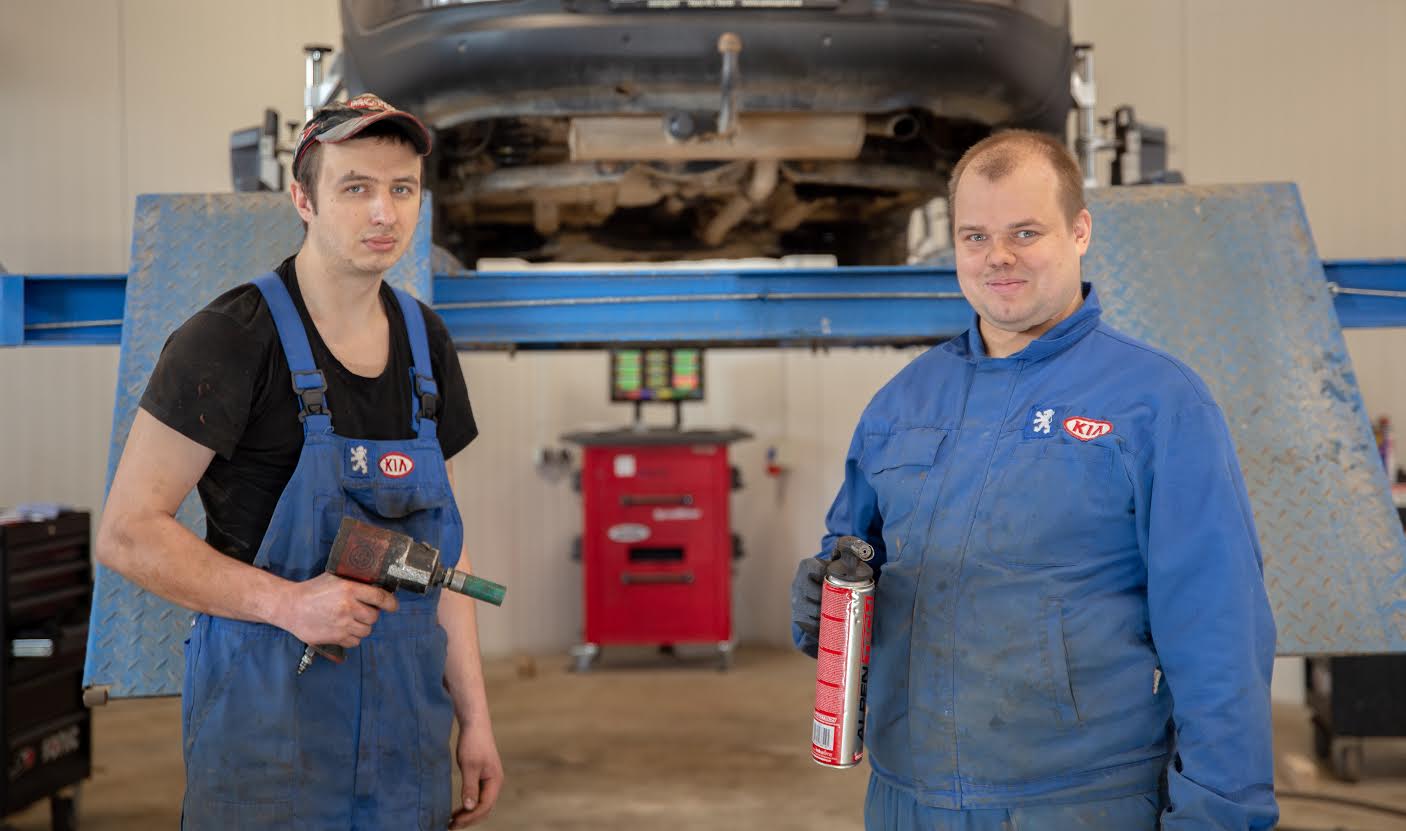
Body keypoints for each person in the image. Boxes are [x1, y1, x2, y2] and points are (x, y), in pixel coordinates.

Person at [790, 130, 1278, 830]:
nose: (999, 257)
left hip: (1080, 805)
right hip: (907, 803)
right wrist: (817, 597)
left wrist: (1219, 816)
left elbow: (1219, 637)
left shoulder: (1156, 403)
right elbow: (852, 563)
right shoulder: (902, 403)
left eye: (1026, 231)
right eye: (975, 235)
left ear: (1080, 231)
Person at [97, 93, 502, 829]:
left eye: (401, 188)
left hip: (407, 735)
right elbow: (126, 531)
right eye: (356, 187)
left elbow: (445, 551)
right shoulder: (228, 338)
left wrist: (474, 716)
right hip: (268, 730)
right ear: (303, 198)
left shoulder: (428, 345)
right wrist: (287, 603)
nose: (384, 212)